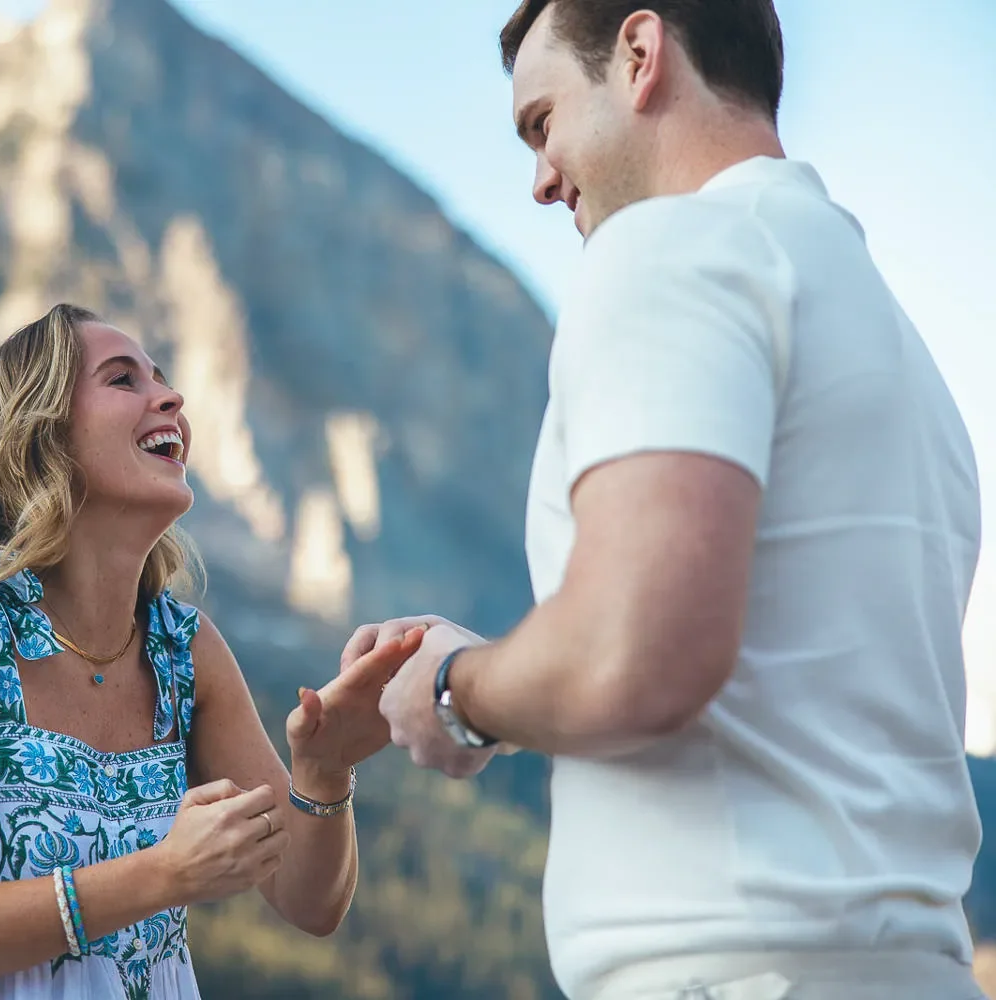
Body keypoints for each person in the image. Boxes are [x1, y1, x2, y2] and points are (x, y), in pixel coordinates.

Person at [349, 2, 987, 999]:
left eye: (543, 120)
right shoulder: (899, 352)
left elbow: (635, 653)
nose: (540, 178)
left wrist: (455, 689)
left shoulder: (668, 251)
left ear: (641, 56)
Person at [0, 303, 420, 999]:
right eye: (123, 381)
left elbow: (309, 900)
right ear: (39, 436)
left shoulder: (185, 650)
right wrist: (159, 877)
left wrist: (325, 772)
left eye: (163, 379)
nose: (170, 397)